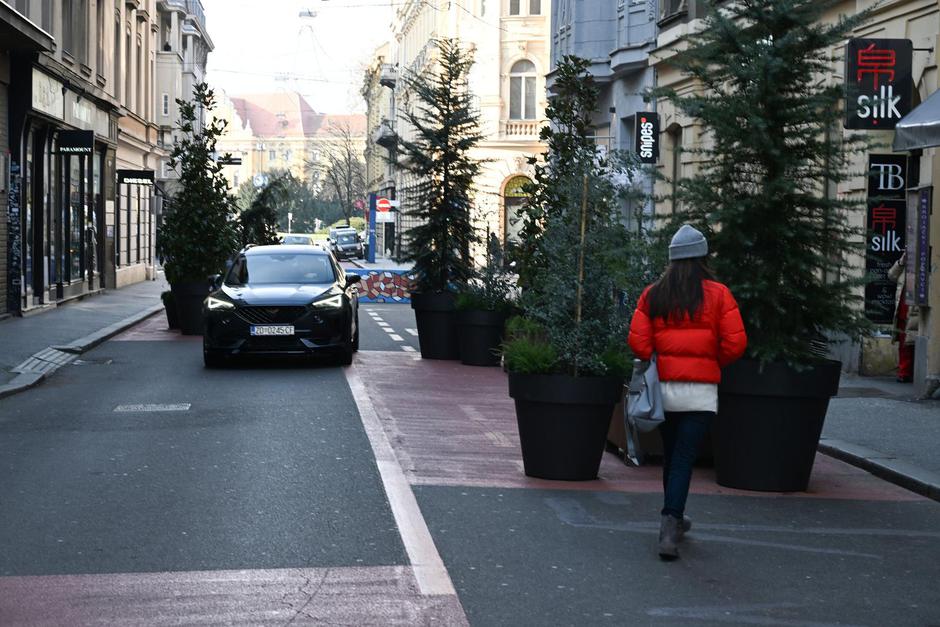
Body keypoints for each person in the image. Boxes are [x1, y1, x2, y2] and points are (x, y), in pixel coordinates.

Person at [628, 224, 747, 560]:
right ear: (702, 258)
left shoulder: (654, 294)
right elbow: (736, 343)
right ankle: (670, 526)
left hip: (664, 391)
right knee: (683, 458)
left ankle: (674, 517)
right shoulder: (719, 294)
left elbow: (637, 341)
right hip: (701, 393)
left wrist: (660, 360)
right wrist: (710, 362)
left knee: (671, 456)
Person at [888, 252, 917, 383]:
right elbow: (891, 275)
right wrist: (901, 261)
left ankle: (906, 372)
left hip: (914, 310)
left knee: (910, 343)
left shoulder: (921, 266)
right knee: (903, 343)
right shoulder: (905, 265)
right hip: (901, 308)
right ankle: (903, 372)